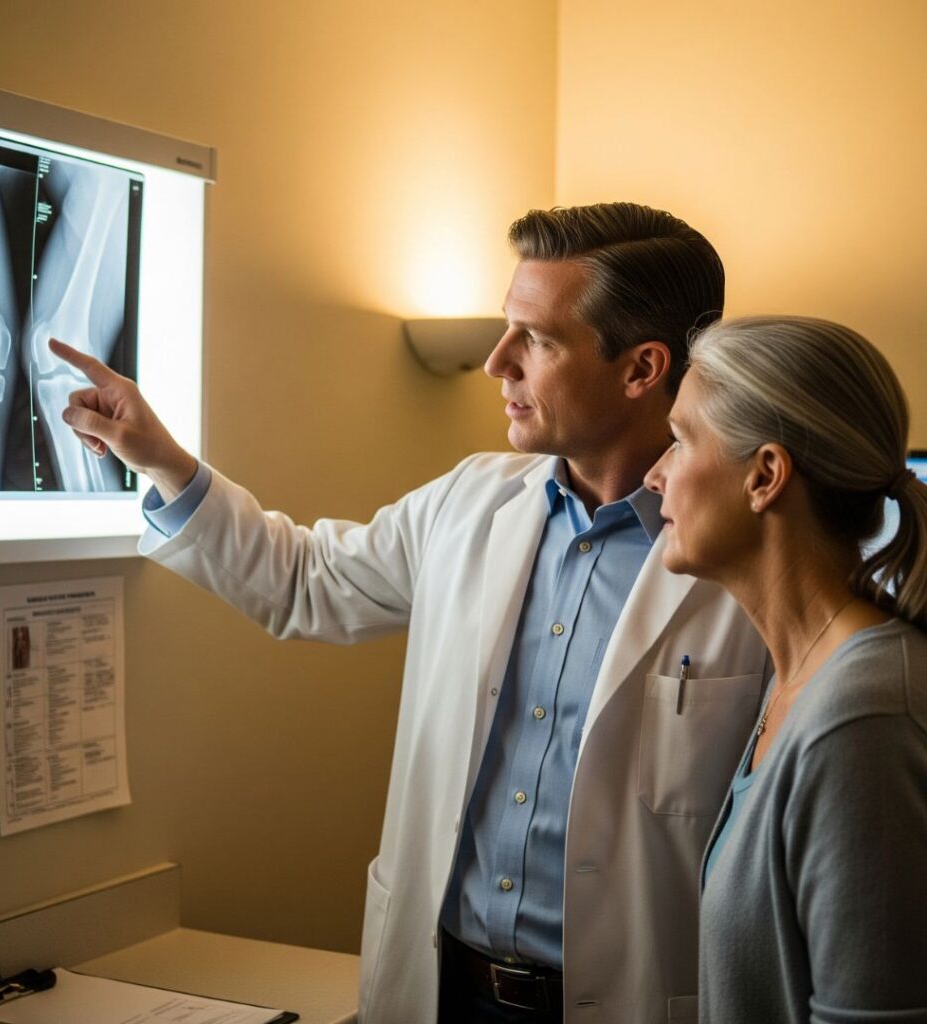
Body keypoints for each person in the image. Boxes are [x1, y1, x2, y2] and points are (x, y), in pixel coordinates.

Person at [50, 203, 769, 1024]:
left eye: (535, 339)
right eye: (506, 329)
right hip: (441, 989)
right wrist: (165, 463)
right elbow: (305, 583)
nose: (497, 361)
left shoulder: (750, 551)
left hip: (639, 1001)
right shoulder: (472, 500)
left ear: (642, 368)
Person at [644, 315, 927, 1023]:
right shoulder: (800, 678)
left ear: (765, 475)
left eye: (679, 441)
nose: (655, 473)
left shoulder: (862, 719)